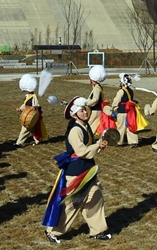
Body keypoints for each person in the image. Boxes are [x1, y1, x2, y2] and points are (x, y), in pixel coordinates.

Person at [42, 97, 111, 243]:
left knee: (96, 198)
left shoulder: (85, 127)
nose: (85, 112)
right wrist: (97, 146)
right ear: (75, 115)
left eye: (85, 109)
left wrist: (99, 146)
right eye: (81, 110)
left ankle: (97, 231)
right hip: (76, 172)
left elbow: (88, 149)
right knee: (73, 204)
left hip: (88, 169)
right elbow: (80, 152)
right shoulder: (75, 130)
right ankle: (52, 231)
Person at [110, 73, 146, 147]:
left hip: (122, 111)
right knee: (131, 126)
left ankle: (119, 141)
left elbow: (116, 101)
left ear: (122, 83)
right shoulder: (131, 91)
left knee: (121, 127)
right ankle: (134, 141)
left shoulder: (121, 91)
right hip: (130, 111)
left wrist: (113, 108)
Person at [15, 73, 46, 146]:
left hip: (31, 115)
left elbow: (36, 104)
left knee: (25, 129)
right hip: (28, 114)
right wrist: (20, 109)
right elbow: (25, 105)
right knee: (32, 129)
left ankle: (19, 142)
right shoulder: (27, 96)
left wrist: (34, 107)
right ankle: (38, 140)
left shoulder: (34, 96)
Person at [87, 65, 107, 136]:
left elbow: (95, 99)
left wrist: (87, 103)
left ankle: (88, 138)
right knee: (93, 126)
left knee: (89, 125)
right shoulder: (98, 87)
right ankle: (90, 138)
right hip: (98, 110)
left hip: (95, 110)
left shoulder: (97, 88)